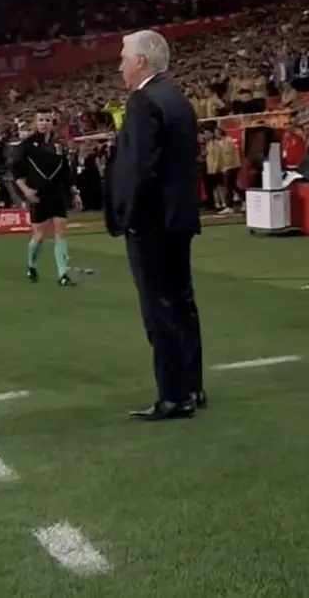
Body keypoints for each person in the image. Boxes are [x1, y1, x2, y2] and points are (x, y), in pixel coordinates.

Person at [106, 29, 204, 421]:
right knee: (182, 303)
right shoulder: (177, 98)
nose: (120, 65)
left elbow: (139, 167)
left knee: (158, 308)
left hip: (153, 222)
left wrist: (126, 214)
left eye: (124, 57)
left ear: (141, 61)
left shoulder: (143, 100)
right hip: (178, 216)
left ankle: (174, 394)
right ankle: (192, 385)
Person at [12, 109, 81, 286]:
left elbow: (65, 171)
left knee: (61, 231)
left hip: (57, 192)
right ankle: (31, 265)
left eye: (47, 120)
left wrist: (74, 191)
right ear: (35, 123)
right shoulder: (26, 145)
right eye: (41, 120)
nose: (44, 123)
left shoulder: (58, 145)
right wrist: (25, 190)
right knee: (39, 235)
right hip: (38, 194)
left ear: (52, 123)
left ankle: (63, 274)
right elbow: (16, 170)